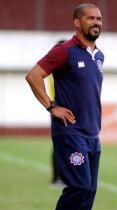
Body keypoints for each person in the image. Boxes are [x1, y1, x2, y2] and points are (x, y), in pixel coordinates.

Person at [25, 3, 112, 210]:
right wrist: (52, 106)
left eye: (98, 18)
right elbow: (34, 76)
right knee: (80, 186)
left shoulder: (98, 56)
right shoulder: (64, 51)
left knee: (88, 192)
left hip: (91, 134)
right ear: (77, 22)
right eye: (90, 18)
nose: (96, 22)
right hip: (70, 133)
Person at [48, 40, 66, 188]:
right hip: (61, 110)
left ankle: (59, 178)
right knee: (60, 147)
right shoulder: (57, 70)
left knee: (62, 146)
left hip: (59, 110)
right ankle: (56, 178)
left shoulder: (54, 69)